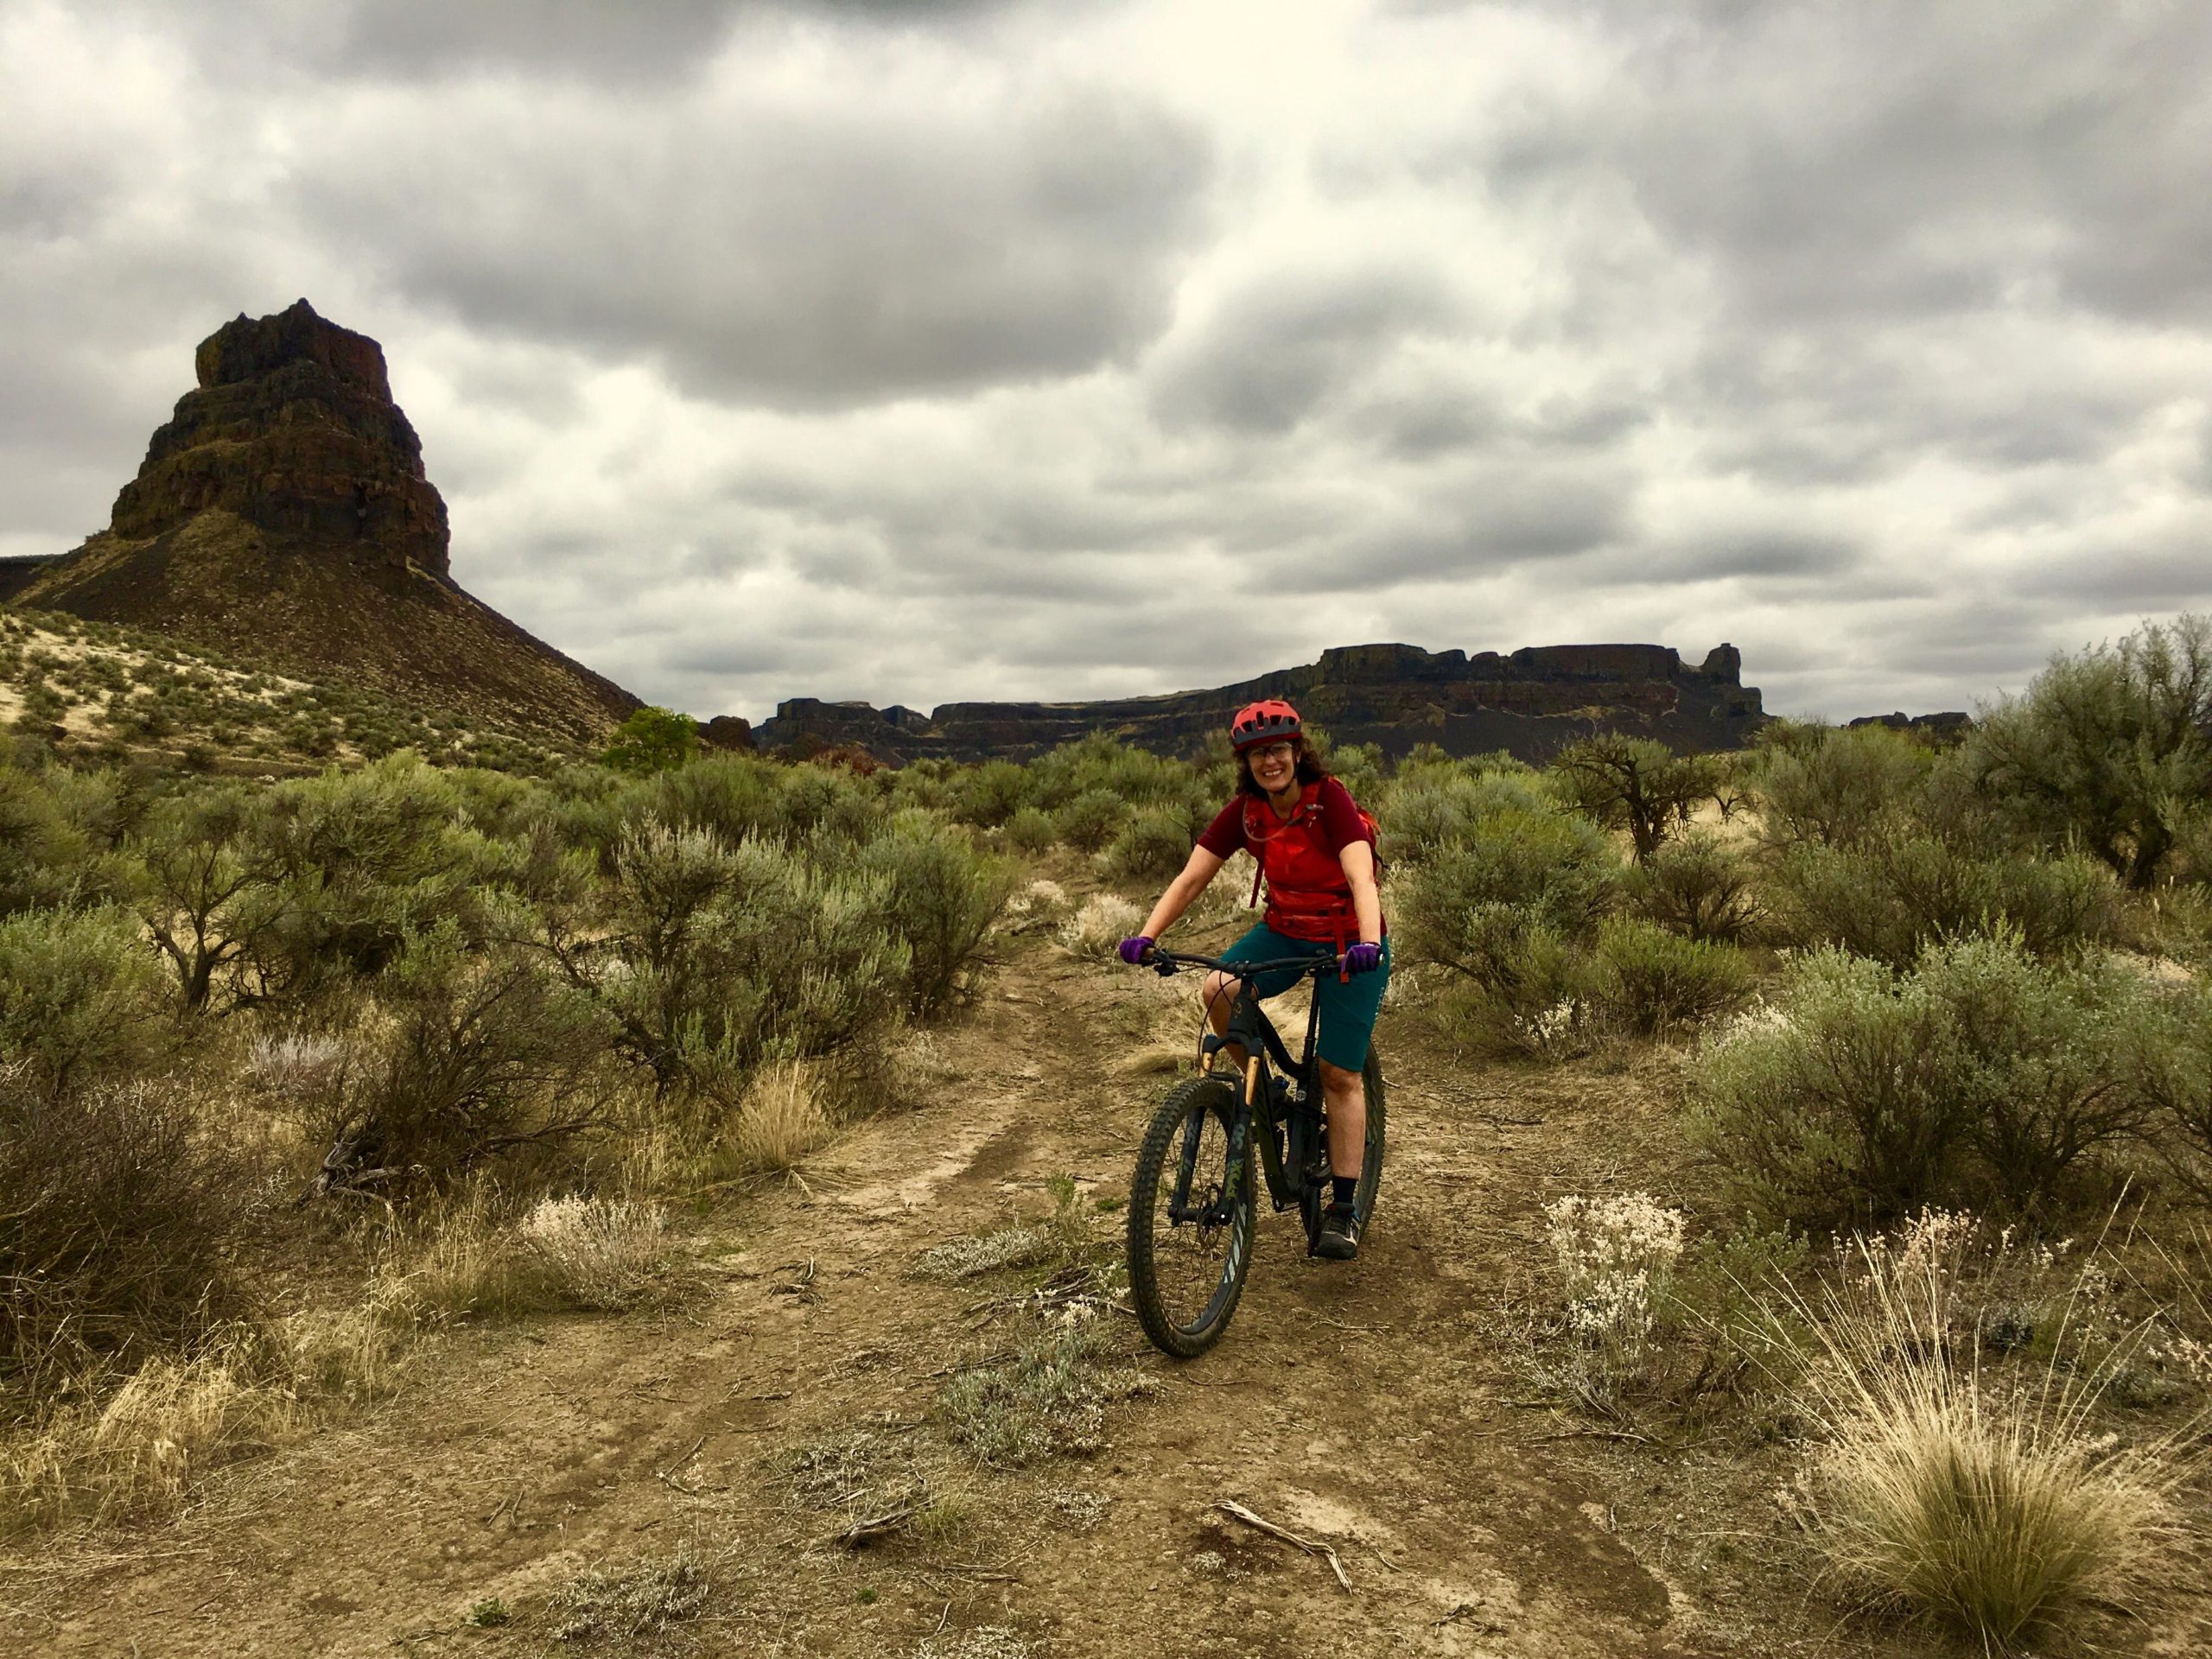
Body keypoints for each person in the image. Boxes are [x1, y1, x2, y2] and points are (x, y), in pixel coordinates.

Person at [1117, 698, 1388, 1261]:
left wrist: (1367, 942)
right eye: (1259, 753)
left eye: (1279, 750)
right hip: (1286, 932)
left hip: (1348, 941)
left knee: (1339, 1074)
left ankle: (1343, 1208)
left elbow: (1361, 875)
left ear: (1296, 751)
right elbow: (1192, 878)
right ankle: (1266, 1091)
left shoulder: (1327, 800)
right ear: (1247, 761)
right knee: (1218, 987)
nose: (1271, 762)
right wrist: (1147, 934)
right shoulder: (1246, 811)